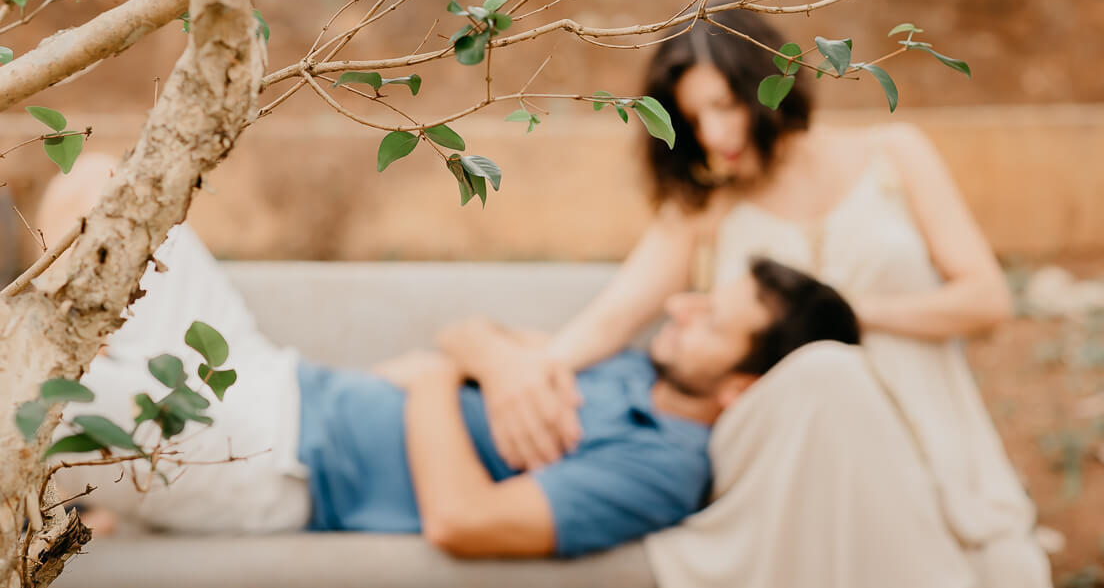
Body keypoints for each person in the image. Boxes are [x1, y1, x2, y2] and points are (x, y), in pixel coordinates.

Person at [470, 10, 1052, 587]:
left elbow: (986, 301)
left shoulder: (894, 153)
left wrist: (843, 315)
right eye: (694, 119)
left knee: (995, 561)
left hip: (923, 412)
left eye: (724, 106)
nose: (714, 136)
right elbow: (611, 319)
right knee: (827, 377)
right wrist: (518, 368)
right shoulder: (705, 206)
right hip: (784, 440)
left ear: (768, 86)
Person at [45, 166, 860, 558]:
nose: (680, 306)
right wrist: (495, 362)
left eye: (712, 317)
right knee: (104, 187)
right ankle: (75, 477)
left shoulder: (662, 465)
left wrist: (436, 380)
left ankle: (74, 468)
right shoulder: (637, 371)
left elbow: (465, 523)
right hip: (275, 376)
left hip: (279, 461)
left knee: (36, 395)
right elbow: (470, 331)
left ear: (743, 385)